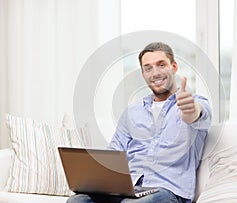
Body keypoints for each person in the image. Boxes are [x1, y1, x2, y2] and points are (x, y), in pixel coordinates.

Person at [67, 42, 212, 203]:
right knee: (77, 201)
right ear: (143, 74)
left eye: (161, 65)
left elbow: (195, 115)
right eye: (148, 68)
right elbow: (114, 154)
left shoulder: (195, 102)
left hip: (167, 191)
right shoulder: (132, 113)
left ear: (174, 66)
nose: (155, 73)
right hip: (129, 189)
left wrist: (189, 109)